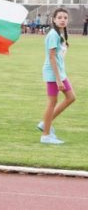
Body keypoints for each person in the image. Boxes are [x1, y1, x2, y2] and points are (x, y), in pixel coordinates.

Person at [38, 8, 75, 144]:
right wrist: (58, 80)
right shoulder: (53, 34)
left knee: (71, 97)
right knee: (52, 103)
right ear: (54, 19)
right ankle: (45, 135)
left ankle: (45, 123)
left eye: (65, 17)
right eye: (59, 17)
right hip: (53, 74)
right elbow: (51, 58)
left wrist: (65, 50)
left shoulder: (59, 34)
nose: (63, 20)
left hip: (60, 72)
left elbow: (58, 56)